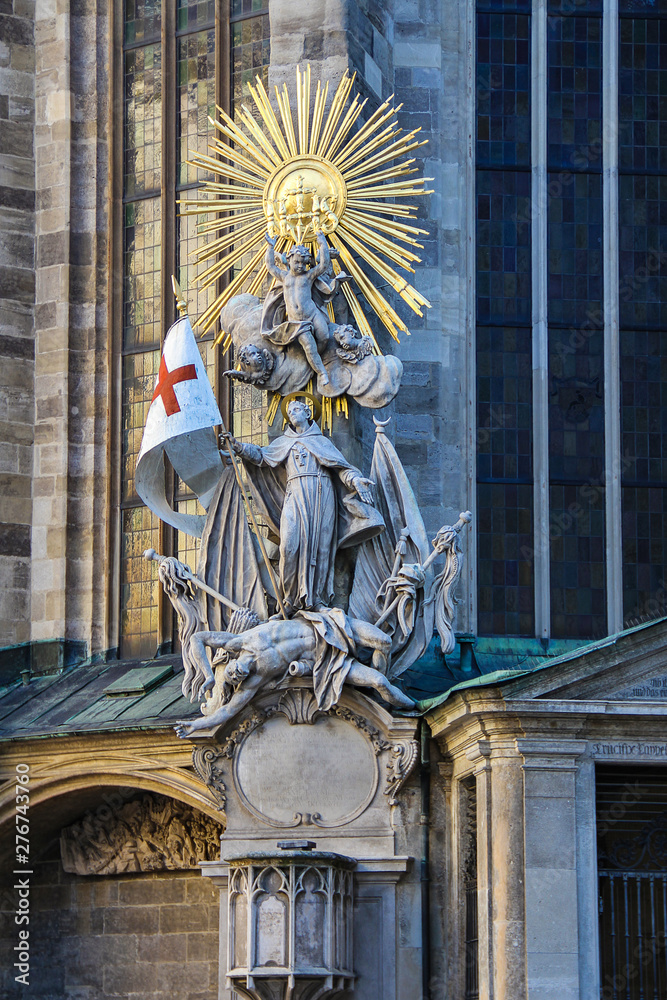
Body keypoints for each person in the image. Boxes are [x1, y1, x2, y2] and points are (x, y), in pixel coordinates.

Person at [222, 397, 383, 615]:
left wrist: (355, 480)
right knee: (289, 546)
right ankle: (289, 601)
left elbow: (341, 467)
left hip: (321, 495)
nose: (292, 413)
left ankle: (317, 600)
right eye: (289, 411)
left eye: (297, 408)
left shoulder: (322, 442)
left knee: (321, 547)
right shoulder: (283, 442)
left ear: (308, 413)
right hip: (295, 495)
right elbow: (261, 455)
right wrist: (239, 447)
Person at [174, 612, 415, 738]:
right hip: (328, 661)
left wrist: (207, 674)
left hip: (329, 624)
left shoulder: (241, 640)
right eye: (234, 679)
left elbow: (198, 639)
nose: (235, 674)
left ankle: (379, 678)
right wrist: (195, 724)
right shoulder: (256, 681)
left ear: (232, 660)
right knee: (379, 682)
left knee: (383, 641)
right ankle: (415, 709)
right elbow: (227, 711)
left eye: (231, 671)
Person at [263, 230, 333, 385]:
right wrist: (270, 247)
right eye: (297, 262)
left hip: (313, 314)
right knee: (309, 344)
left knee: (325, 336)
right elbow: (270, 265)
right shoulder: (284, 276)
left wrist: (322, 242)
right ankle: (321, 372)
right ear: (289, 260)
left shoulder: (308, 276)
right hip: (297, 323)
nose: (300, 266)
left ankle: (313, 359)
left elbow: (323, 265)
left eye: (303, 263)